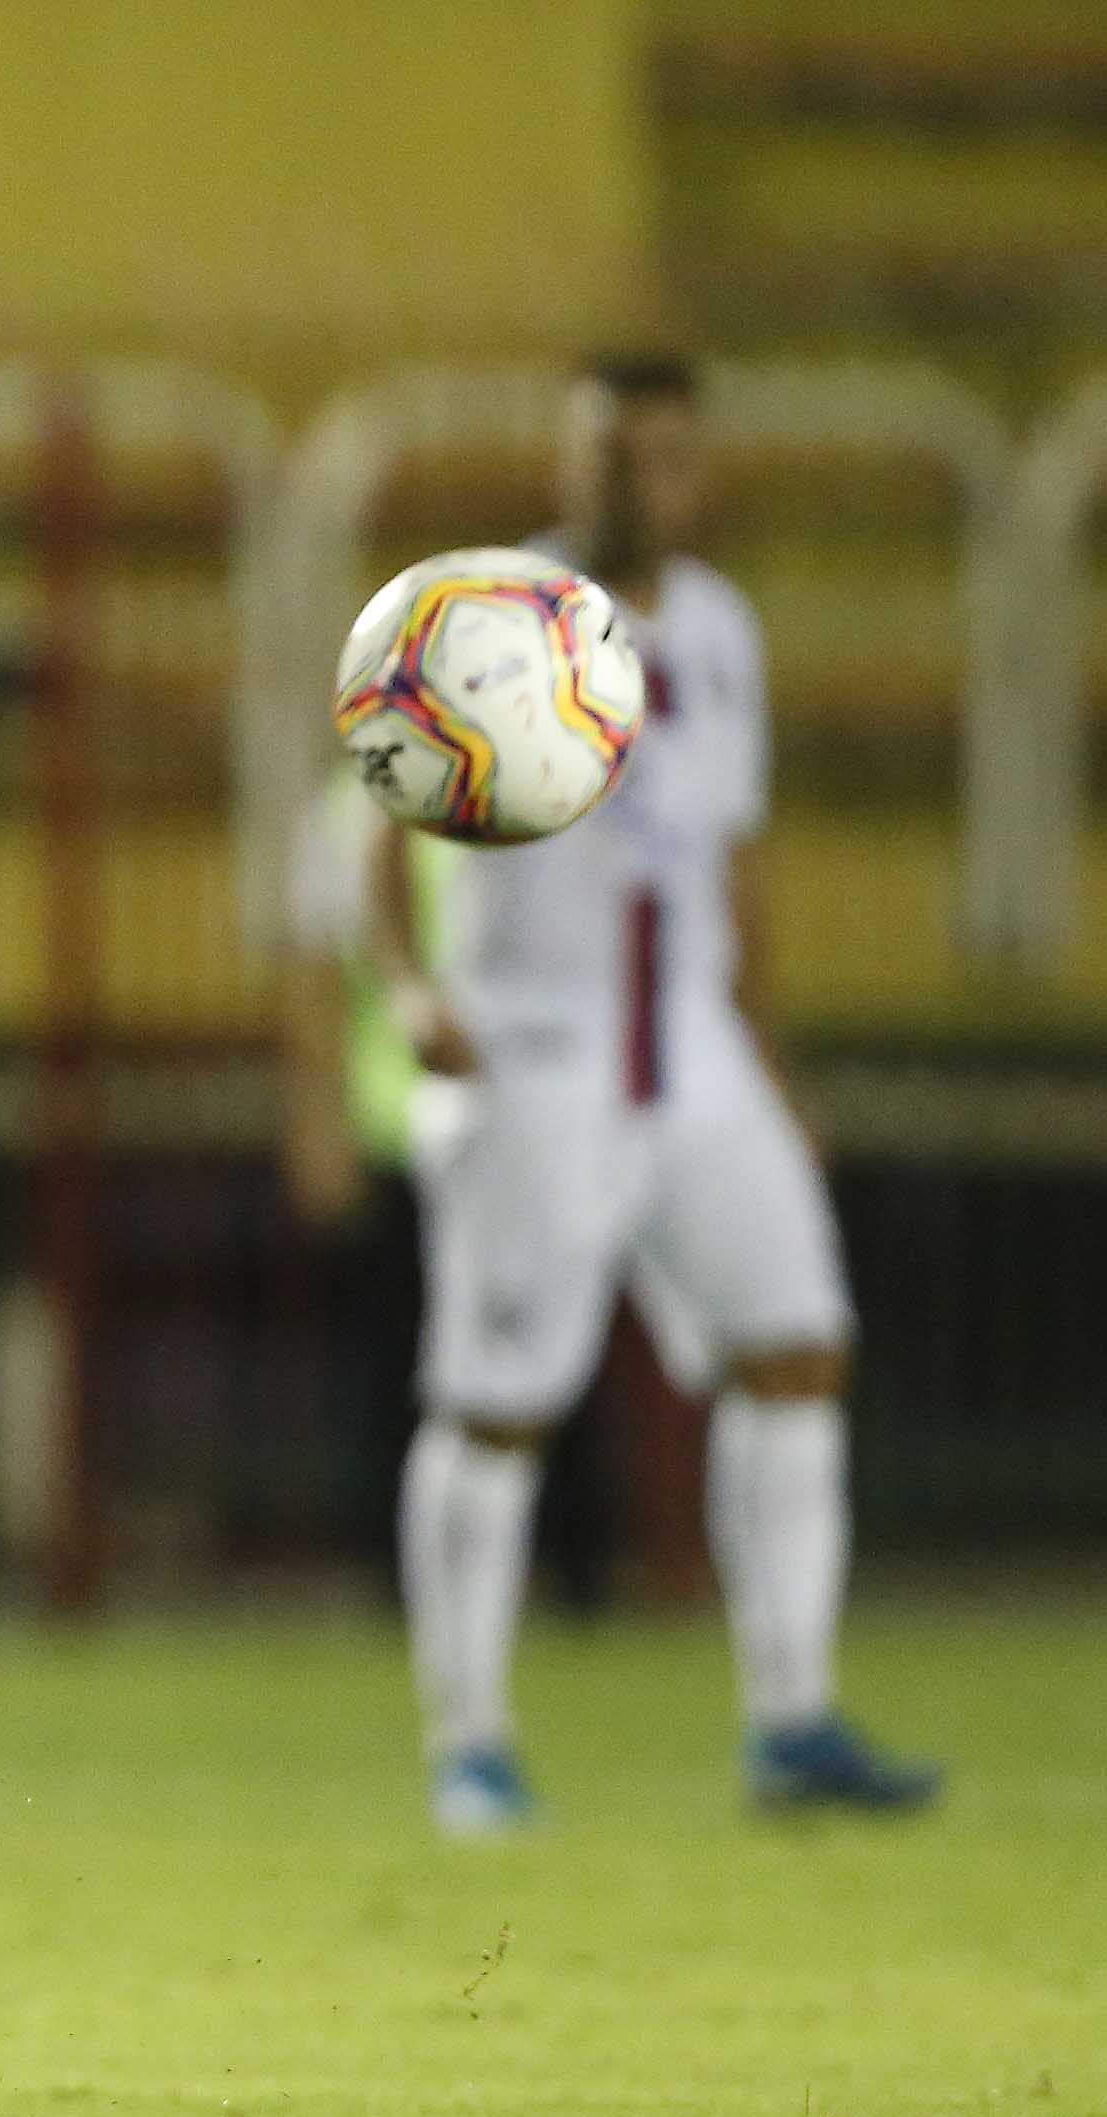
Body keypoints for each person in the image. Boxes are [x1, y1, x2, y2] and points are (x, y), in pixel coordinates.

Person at [365, 353, 939, 1836]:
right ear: (568, 461)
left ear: (699, 473)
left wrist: (770, 1051)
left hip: (683, 1045)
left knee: (797, 1347)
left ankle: (789, 1719)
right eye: (607, 453)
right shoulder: (489, 612)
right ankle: (467, 1742)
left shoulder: (723, 631)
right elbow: (380, 800)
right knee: (495, 1404)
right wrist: (412, 989)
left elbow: (736, 857)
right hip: (537, 1044)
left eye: (662, 457)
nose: (633, 483)